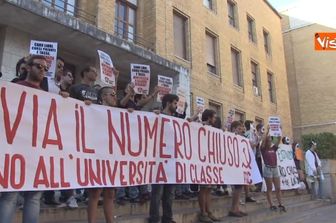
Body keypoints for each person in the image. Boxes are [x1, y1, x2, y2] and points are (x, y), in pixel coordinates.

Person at [0, 55, 48, 223]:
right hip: (15, 150)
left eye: (45, 68)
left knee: (34, 196)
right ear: (27, 67)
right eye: (39, 66)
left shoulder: (47, 97)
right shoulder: (14, 88)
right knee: (10, 195)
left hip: (36, 152)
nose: (43, 70)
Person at [87, 86, 118, 223]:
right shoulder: (93, 109)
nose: (114, 97)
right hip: (97, 156)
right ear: (103, 97)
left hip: (112, 157)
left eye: (115, 94)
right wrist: (86, 107)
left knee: (110, 193)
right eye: (111, 94)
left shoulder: (119, 114)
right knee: (95, 192)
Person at [149, 94, 178, 223]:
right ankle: (154, 219)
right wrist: (153, 115)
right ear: (168, 103)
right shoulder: (157, 116)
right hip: (158, 160)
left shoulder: (177, 120)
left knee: (169, 193)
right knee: (157, 192)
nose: (177, 106)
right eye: (175, 103)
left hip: (172, 161)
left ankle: (167, 218)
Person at [197, 109, 220, 223]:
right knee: (203, 188)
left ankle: (209, 211)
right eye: (214, 117)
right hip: (202, 161)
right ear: (209, 117)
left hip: (211, 162)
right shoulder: (199, 126)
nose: (215, 119)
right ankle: (203, 213)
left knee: (209, 188)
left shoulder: (213, 130)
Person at [260, 126, 286, 212]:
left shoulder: (273, 148)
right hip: (268, 169)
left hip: (275, 169)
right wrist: (267, 131)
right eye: (269, 141)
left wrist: (279, 130)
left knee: (278, 188)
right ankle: (271, 204)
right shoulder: (263, 149)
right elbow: (263, 141)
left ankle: (280, 203)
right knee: (270, 188)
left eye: (271, 141)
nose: (270, 142)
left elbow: (278, 140)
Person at [228, 121, 248, 217]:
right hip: (233, 166)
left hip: (240, 165)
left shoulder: (241, 139)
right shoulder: (229, 137)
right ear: (233, 129)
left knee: (240, 188)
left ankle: (236, 208)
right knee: (237, 187)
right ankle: (233, 209)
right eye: (238, 129)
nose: (241, 131)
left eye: (241, 129)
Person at [243, 120, 257, 203]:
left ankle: (249, 190)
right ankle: (249, 190)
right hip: (248, 156)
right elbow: (251, 145)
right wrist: (256, 143)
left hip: (251, 156)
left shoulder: (251, 134)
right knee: (248, 174)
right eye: (253, 125)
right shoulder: (248, 133)